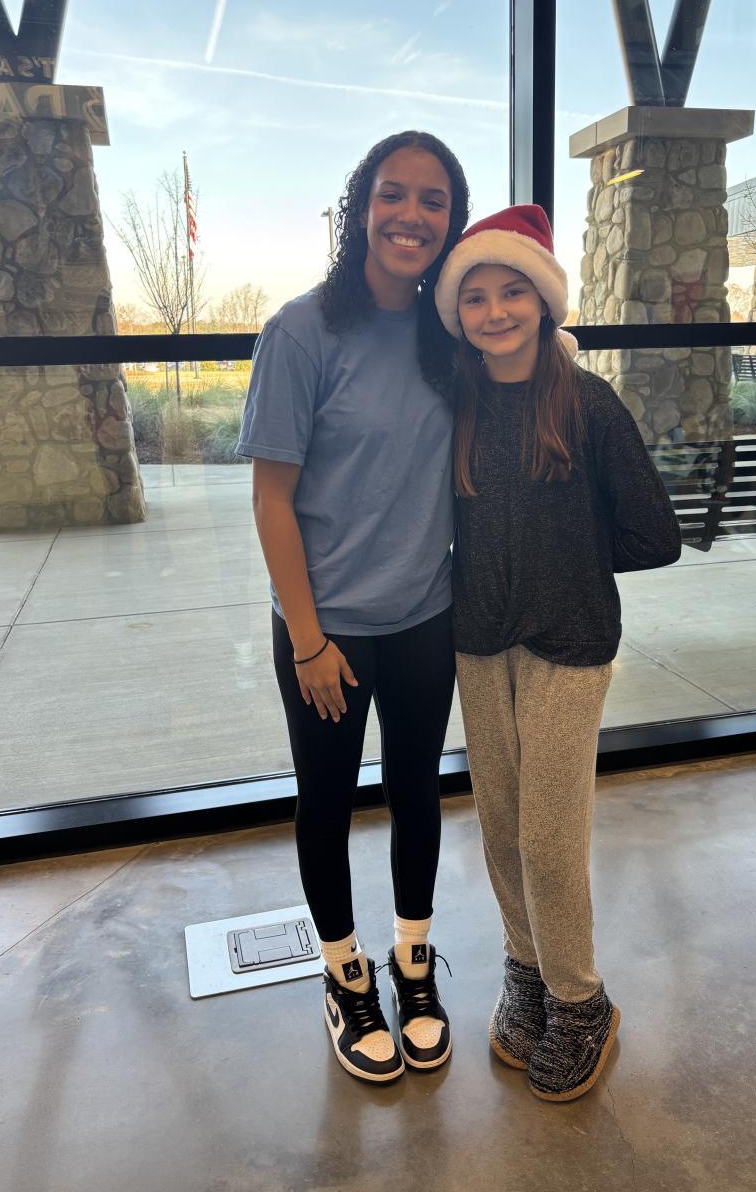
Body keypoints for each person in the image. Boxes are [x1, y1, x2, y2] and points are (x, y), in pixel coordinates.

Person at [434, 205, 682, 1102]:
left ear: (543, 302)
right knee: (500, 823)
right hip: (477, 642)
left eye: (513, 292)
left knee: (547, 835)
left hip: (569, 645)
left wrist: (567, 555)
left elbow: (655, 534)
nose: (495, 311)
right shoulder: (455, 402)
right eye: (476, 298)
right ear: (457, 314)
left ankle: (581, 1001)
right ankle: (526, 970)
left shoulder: (587, 404)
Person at [237, 132, 469, 1084]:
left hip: (424, 617)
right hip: (326, 629)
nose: (412, 215)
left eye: (433, 200)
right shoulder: (302, 332)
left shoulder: (447, 334)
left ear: (452, 220)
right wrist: (307, 640)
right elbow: (271, 499)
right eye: (393, 195)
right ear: (360, 209)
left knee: (417, 791)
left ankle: (413, 962)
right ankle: (344, 974)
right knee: (327, 802)